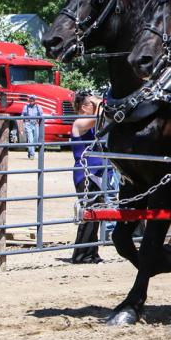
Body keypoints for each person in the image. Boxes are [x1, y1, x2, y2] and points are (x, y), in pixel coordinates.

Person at [70, 92, 105, 263]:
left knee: (95, 214)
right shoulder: (79, 123)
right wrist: (100, 102)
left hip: (95, 174)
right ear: (84, 107)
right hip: (84, 174)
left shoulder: (91, 125)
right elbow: (102, 114)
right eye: (91, 103)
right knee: (88, 214)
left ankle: (91, 252)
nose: (96, 105)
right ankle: (81, 254)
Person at [20, 95, 44, 160]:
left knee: (36, 139)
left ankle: (30, 151)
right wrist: (22, 119)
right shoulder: (26, 107)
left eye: (33, 99)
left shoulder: (38, 107)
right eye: (31, 99)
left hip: (35, 124)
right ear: (29, 100)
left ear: (35, 100)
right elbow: (22, 115)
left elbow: (42, 115)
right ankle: (32, 154)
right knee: (30, 139)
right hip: (28, 124)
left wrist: (39, 118)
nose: (32, 100)